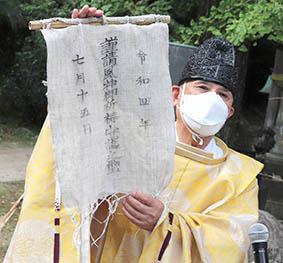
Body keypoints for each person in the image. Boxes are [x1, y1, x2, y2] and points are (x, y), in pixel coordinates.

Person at [4, 5, 263, 263]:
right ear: (176, 95)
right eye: (202, 87)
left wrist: (166, 223)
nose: (211, 99)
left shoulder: (240, 175)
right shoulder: (133, 139)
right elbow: (82, 115)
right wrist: (84, 41)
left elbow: (233, 242)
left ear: (230, 110)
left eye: (222, 95)